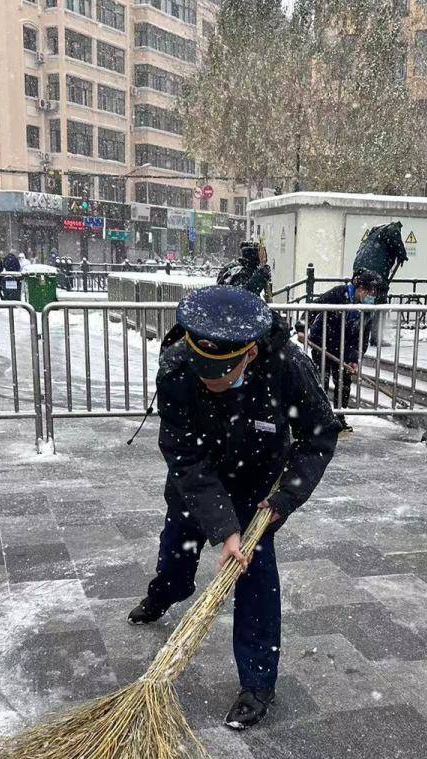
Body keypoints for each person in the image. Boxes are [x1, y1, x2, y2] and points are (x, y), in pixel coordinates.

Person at [127, 286, 339, 729]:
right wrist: (223, 528)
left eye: (220, 374)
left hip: (258, 487)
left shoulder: (287, 366)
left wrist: (283, 500)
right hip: (198, 481)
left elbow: (319, 437)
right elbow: (182, 453)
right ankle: (168, 590)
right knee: (176, 551)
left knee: (256, 575)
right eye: (204, 373)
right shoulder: (178, 365)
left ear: (251, 353)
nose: (211, 383)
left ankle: (257, 683)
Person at [304, 269, 381, 434]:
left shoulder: (367, 309)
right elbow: (315, 306)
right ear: (359, 287)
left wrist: (354, 358)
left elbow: (362, 337)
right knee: (321, 380)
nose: (371, 295)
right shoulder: (340, 294)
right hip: (322, 342)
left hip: (344, 348)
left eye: (374, 291)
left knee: (344, 382)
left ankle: (339, 415)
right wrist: (302, 327)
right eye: (368, 290)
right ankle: (321, 417)